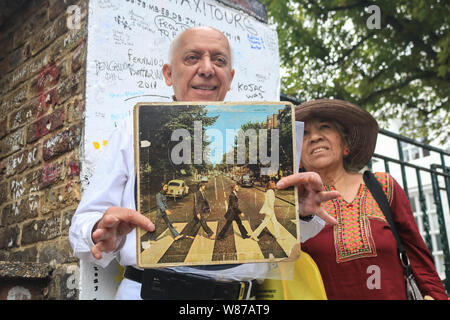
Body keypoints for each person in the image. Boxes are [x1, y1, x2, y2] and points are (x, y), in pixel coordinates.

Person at [69, 27, 339, 300]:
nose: (207, 69)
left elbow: (283, 241)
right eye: (192, 58)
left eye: (219, 60)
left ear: (230, 77)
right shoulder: (132, 130)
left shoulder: (264, 135)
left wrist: (301, 213)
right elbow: (82, 226)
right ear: (168, 73)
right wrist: (98, 231)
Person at [277, 98, 448, 300]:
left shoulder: (383, 186)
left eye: (325, 127)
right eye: (304, 133)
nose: (314, 137)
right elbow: (273, 268)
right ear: (297, 156)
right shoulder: (289, 200)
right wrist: (299, 214)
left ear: (345, 144)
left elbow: (418, 256)